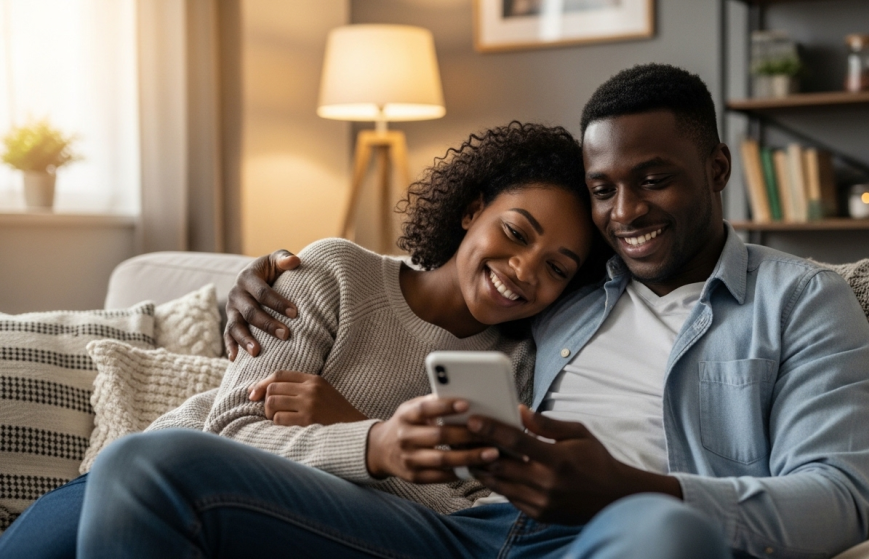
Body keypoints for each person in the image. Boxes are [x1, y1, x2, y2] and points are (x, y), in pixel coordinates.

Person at [76, 64, 869, 559]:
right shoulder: (573, 287)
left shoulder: (804, 300)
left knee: (670, 539)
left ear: (716, 168)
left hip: (616, 535)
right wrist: (259, 277)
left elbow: (838, 499)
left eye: (655, 178)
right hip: (451, 531)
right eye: (604, 189)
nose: (625, 210)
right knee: (146, 465)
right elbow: (431, 289)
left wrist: (631, 489)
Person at [0, 122, 607, 557]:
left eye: (557, 267)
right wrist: (375, 445)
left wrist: (358, 428)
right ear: (472, 209)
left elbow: (466, 519)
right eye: (515, 232)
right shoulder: (336, 272)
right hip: (152, 484)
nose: (524, 270)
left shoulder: (519, 366)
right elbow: (233, 430)